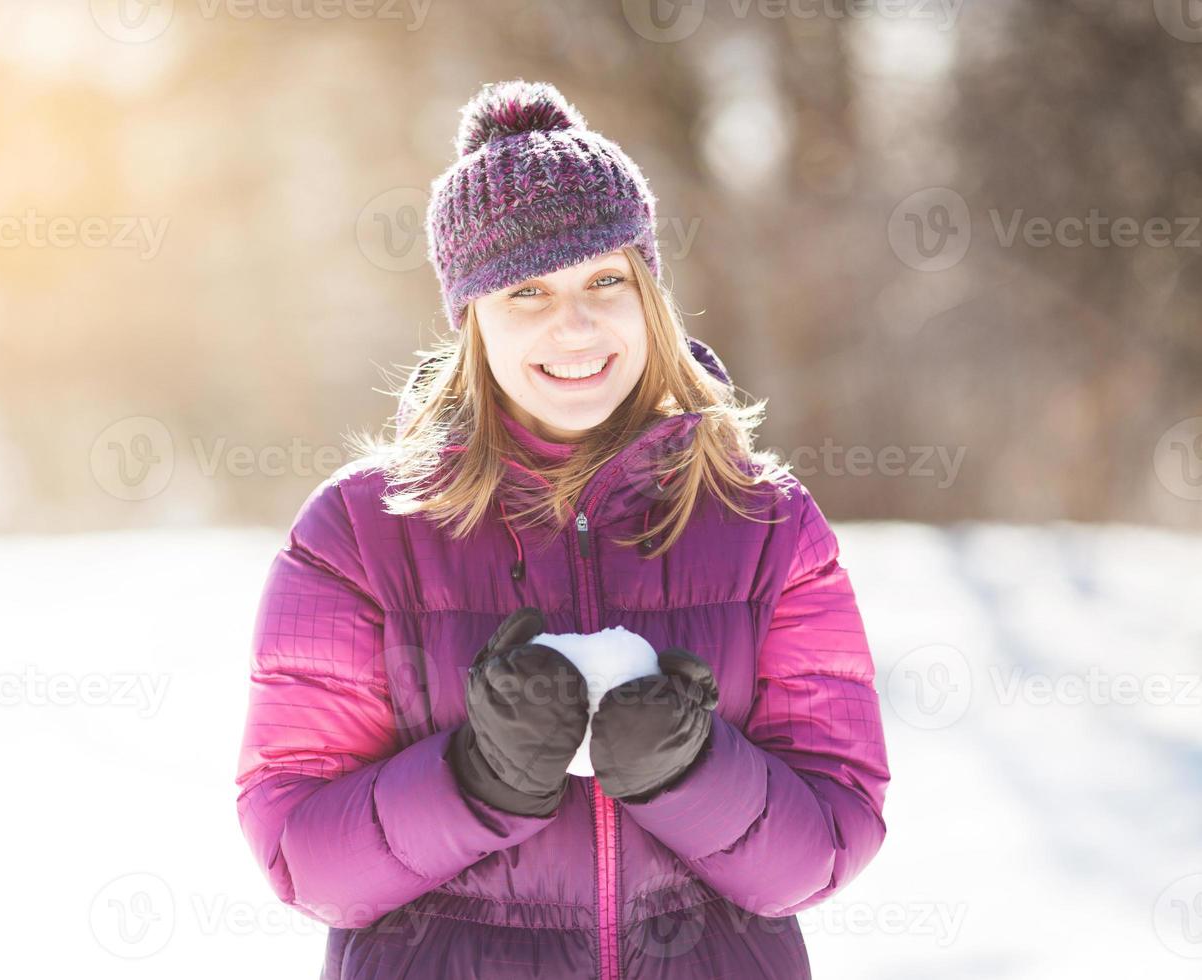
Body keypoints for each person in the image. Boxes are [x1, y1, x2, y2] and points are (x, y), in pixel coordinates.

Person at [235, 78, 891, 979]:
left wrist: (691, 771)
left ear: (649, 292)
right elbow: (298, 856)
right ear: (472, 320)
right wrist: (477, 778)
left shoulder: (766, 521)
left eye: (605, 280)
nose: (575, 326)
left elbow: (829, 843)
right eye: (526, 293)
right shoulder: (359, 534)